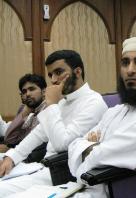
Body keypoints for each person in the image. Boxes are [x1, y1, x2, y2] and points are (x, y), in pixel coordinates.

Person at [64, 37, 136, 197]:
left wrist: (93, 146)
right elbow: (74, 146)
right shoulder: (114, 111)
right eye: (125, 63)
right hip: (85, 189)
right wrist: (97, 147)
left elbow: (106, 154)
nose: (130, 70)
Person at [0, 50, 108, 197]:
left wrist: (51, 105)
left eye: (58, 72)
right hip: (44, 168)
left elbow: (61, 144)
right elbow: (38, 134)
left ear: (77, 72)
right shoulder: (62, 102)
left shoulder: (93, 103)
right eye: (51, 74)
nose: (53, 80)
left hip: (63, 174)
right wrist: (12, 158)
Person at [0, 74, 47, 154]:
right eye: (24, 91)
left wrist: (11, 151)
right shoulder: (27, 110)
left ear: (43, 91)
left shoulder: (48, 109)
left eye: (31, 89)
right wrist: (25, 112)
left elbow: (36, 145)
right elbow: (9, 139)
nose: (27, 94)